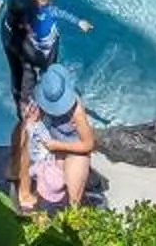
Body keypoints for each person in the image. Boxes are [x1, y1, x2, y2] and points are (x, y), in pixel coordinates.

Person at [15, 63, 97, 214]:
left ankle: (73, 210)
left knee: (78, 167)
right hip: (53, 145)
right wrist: (31, 121)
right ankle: (25, 193)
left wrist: (58, 146)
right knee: (25, 131)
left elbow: (88, 144)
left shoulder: (77, 111)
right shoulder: (40, 100)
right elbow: (33, 130)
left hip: (73, 149)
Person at [0, 0, 94, 104]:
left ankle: (54, 91)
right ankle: (32, 96)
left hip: (50, 43)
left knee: (48, 69)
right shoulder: (29, 6)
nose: (49, 1)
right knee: (30, 69)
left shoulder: (50, 10)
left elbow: (64, 14)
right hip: (34, 43)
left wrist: (79, 22)